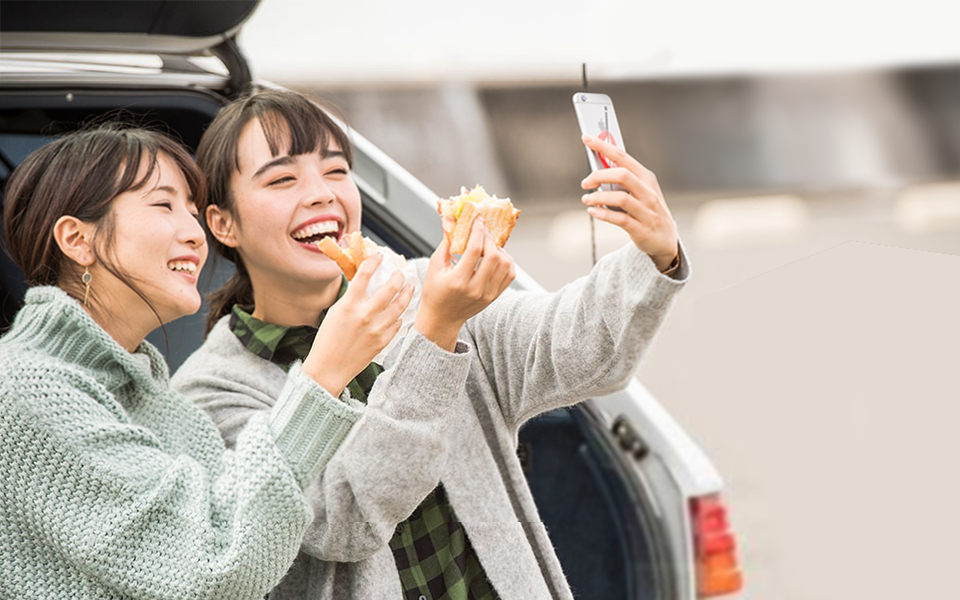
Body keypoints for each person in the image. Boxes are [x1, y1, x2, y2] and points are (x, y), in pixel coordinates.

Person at [172, 88, 688, 600]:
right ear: (223, 223)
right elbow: (342, 520)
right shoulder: (211, 393)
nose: (322, 193)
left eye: (335, 171)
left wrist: (654, 253)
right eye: (283, 179)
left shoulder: (425, 288)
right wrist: (436, 332)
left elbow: (581, 350)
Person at [0, 122, 386, 600]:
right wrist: (322, 375)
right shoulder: (26, 390)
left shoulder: (166, 408)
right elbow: (216, 566)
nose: (195, 233)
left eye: (191, 208)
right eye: (163, 205)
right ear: (78, 240)